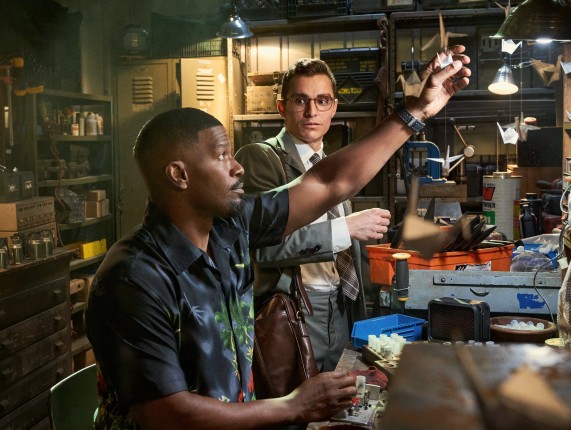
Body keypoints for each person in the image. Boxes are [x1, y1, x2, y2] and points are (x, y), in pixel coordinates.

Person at [86, 46, 470, 429]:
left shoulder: (230, 227)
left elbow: (329, 182)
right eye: (221, 156)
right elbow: (168, 415)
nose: (238, 167)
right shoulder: (133, 279)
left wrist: (416, 111)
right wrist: (293, 406)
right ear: (179, 175)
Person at [234, 58, 391, 372]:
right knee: (298, 397)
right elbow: (262, 247)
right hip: (293, 311)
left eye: (322, 101)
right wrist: (345, 228)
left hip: (341, 307)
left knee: (340, 395)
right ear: (282, 107)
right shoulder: (260, 158)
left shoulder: (332, 166)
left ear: (333, 108)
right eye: (300, 100)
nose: (311, 111)